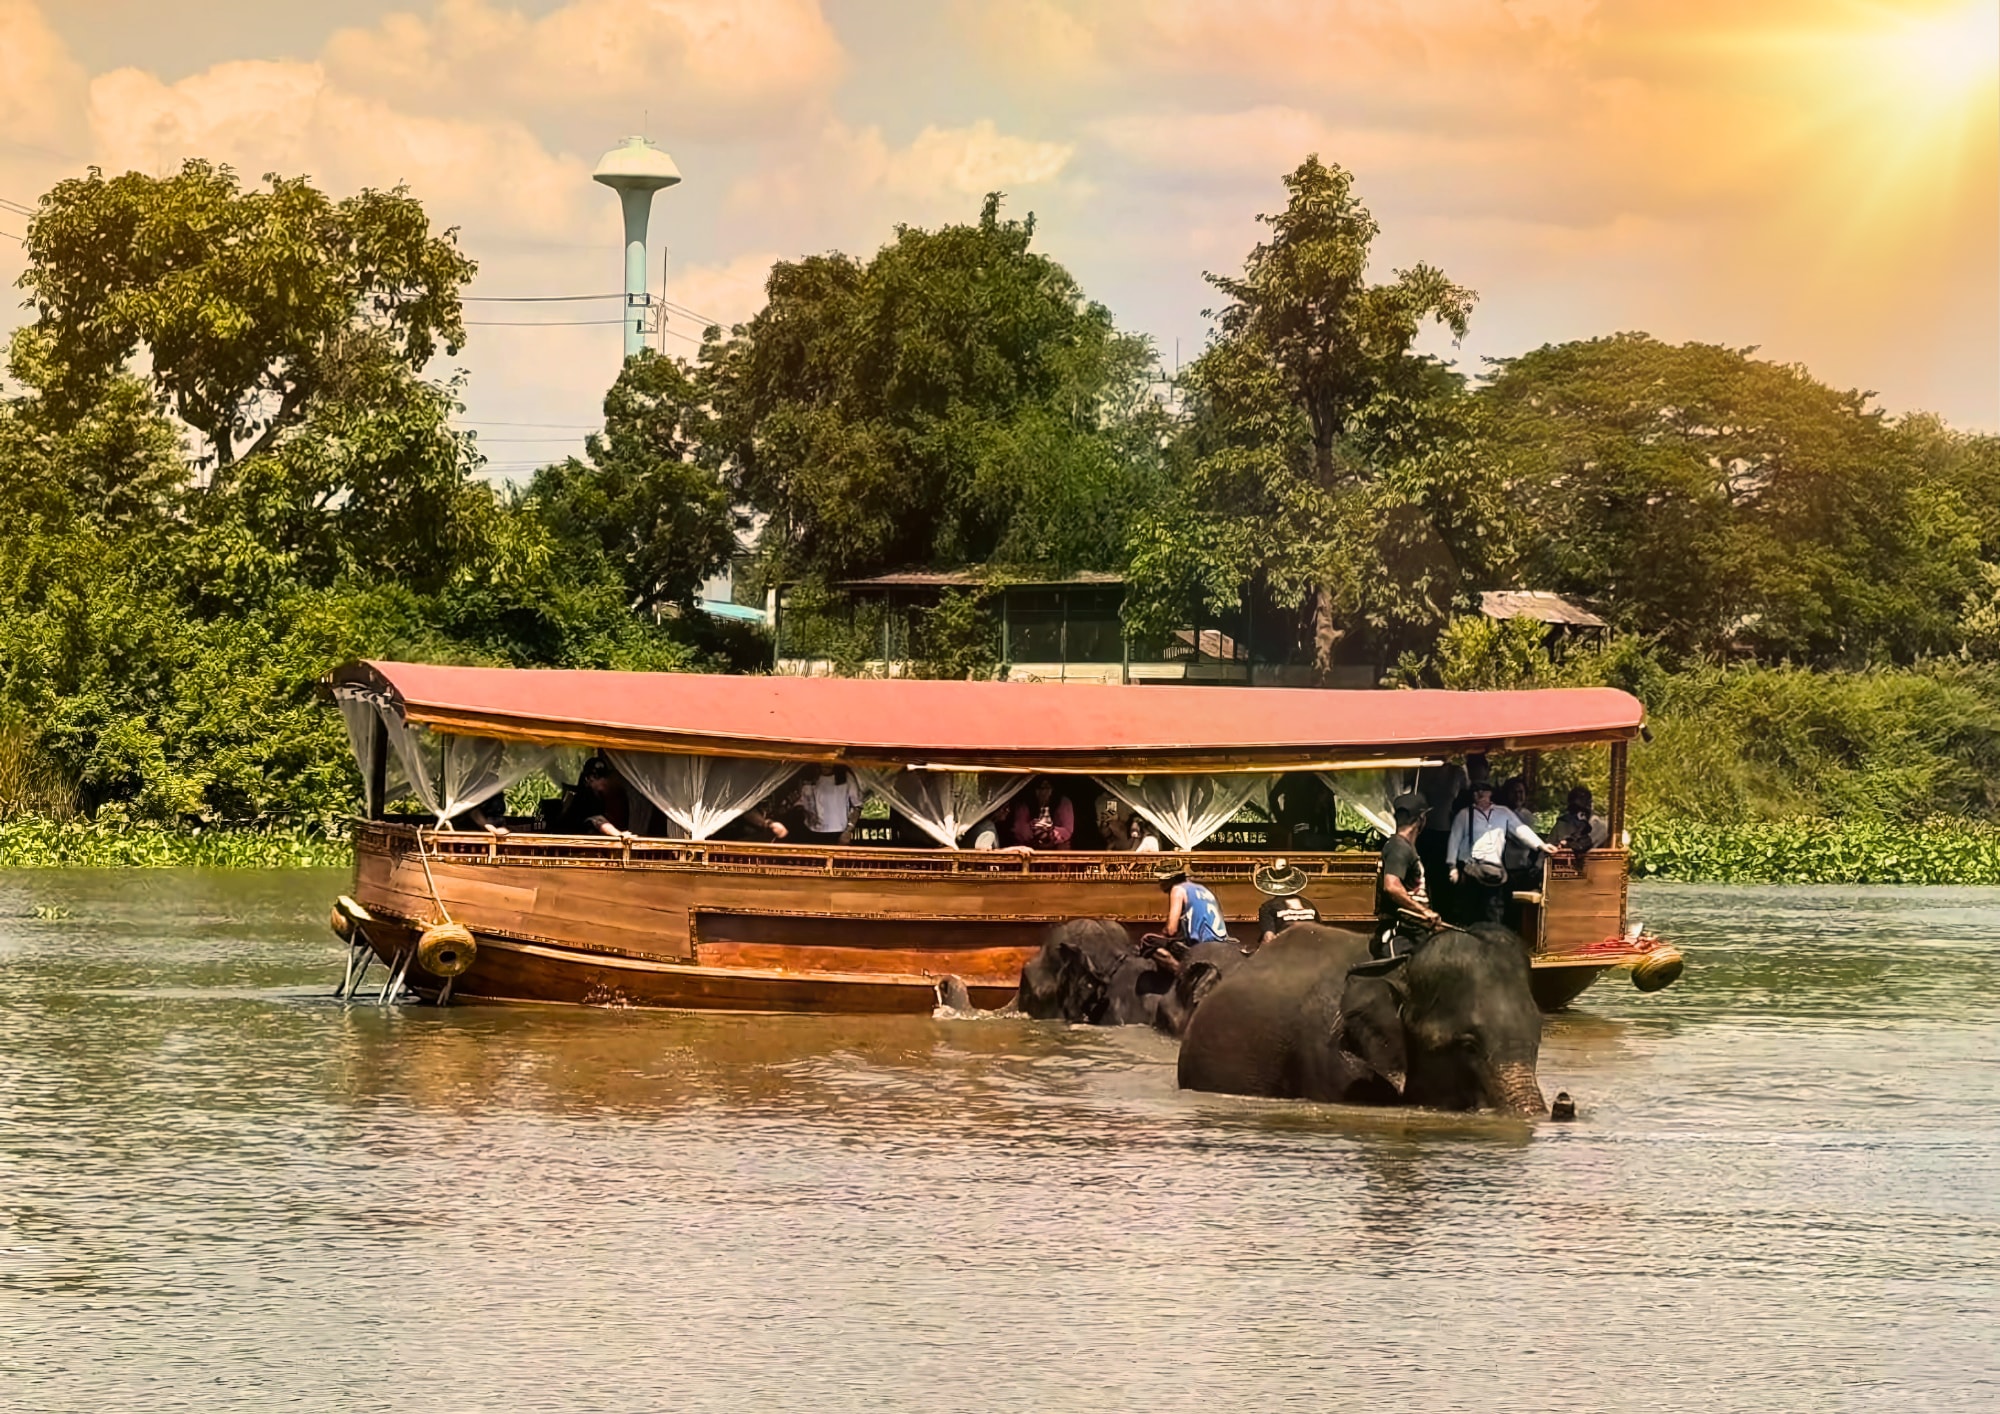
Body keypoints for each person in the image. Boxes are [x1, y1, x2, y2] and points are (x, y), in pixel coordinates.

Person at [1448, 778, 1551, 924]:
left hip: (1494, 873)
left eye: (1483, 792)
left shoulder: (1503, 813)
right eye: (1476, 793)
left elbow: (1520, 829)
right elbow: (1454, 840)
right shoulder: (1464, 814)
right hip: (1471, 870)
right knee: (1470, 913)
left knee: (1494, 912)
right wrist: (1452, 866)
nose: (1479, 796)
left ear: (1490, 794)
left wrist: (1541, 846)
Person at [1376, 792, 1444, 958]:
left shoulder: (1405, 847)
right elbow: (1391, 886)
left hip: (1415, 931)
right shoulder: (1398, 848)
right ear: (1421, 819)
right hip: (1403, 933)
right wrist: (1423, 912)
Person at [1145, 864, 1230, 960]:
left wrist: (1163, 933)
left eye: (1161, 880)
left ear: (1170, 880)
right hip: (1221, 941)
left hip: (1201, 944)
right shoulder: (1203, 889)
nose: (1159, 883)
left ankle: (1181, 971)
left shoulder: (1177, 889)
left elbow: (1171, 930)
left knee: (1149, 941)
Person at [561, 756, 636, 839]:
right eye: (599, 779)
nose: (605, 783)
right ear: (589, 779)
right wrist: (619, 835)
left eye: (605, 778)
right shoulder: (586, 796)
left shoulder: (603, 797)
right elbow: (598, 820)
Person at [1254, 858, 1320, 946]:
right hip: (1312, 947)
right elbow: (1319, 929)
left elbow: (1268, 937)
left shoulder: (1267, 907)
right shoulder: (1308, 903)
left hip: (1288, 948)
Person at [1551, 785, 1610, 875]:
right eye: (1574, 809)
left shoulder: (1599, 826)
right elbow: (1549, 845)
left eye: (1581, 809)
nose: (1577, 814)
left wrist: (1567, 843)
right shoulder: (1563, 823)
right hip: (1561, 872)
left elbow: (1581, 845)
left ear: (1590, 806)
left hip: (1591, 874)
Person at [799, 763, 863, 845]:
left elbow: (857, 805)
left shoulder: (845, 777)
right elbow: (803, 802)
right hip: (812, 830)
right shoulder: (809, 779)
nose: (826, 765)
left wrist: (848, 830)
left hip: (839, 831)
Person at [1009, 777, 1075, 849]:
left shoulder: (1063, 802)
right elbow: (1019, 829)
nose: (1043, 792)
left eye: (1047, 788)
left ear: (1053, 789)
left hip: (1055, 844)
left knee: (1064, 847)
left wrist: (1050, 831)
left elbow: (1067, 830)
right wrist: (1035, 828)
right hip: (1030, 845)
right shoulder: (1024, 803)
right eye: (1040, 788)